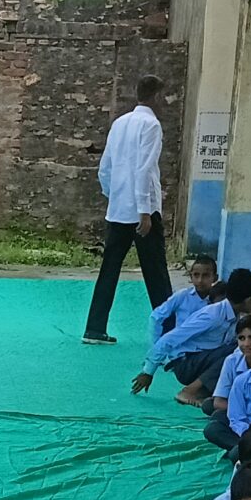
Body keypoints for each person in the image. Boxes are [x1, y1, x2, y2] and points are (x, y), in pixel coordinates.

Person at [83, 75, 171, 343]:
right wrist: (144, 210)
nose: (165, 102)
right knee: (156, 273)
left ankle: (94, 328)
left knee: (109, 270)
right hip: (143, 212)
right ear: (156, 96)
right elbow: (144, 169)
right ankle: (170, 331)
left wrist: (115, 196)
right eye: (163, 96)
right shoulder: (151, 125)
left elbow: (105, 168)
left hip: (118, 210)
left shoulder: (120, 123)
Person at [131, 268, 251, 402]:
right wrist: (148, 372)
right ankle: (189, 392)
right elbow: (169, 339)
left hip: (204, 359)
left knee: (244, 346)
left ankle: (212, 392)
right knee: (238, 351)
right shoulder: (212, 316)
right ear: (248, 300)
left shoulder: (234, 316)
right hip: (185, 364)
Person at [148, 254, 219, 348]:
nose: (200, 280)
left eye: (205, 275)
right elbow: (156, 316)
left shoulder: (218, 300)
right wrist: (156, 344)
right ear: (190, 276)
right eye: (196, 275)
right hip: (181, 349)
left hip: (208, 349)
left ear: (215, 278)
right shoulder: (182, 296)